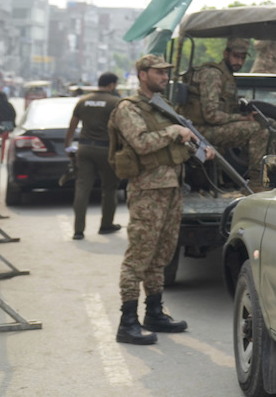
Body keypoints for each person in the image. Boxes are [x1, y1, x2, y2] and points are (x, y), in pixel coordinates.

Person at [109, 54, 215, 345]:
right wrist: (174, 132)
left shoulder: (160, 105)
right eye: (159, 72)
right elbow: (142, 143)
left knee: (162, 254)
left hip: (170, 188)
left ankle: (154, 311)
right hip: (147, 190)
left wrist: (197, 146)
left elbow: (175, 141)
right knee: (139, 256)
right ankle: (127, 321)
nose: (165, 77)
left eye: (166, 72)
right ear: (143, 74)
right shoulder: (128, 108)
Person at [178, 37, 276, 187]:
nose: (239, 62)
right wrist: (242, 118)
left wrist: (244, 115)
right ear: (226, 54)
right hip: (199, 130)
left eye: (242, 58)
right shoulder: (213, 74)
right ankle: (257, 183)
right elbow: (211, 115)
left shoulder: (227, 76)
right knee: (258, 130)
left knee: (271, 126)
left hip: (212, 126)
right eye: (236, 57)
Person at [65, 72, 123, 240]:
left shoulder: (83, 101)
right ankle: (106, 225)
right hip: (106, 150)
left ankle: (78, 230)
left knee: (82, 187)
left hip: (84, 148)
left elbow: (72, 125)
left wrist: (68, 146)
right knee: (109, 188)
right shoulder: (115, 102)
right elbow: (122, 128)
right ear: (112, 85)